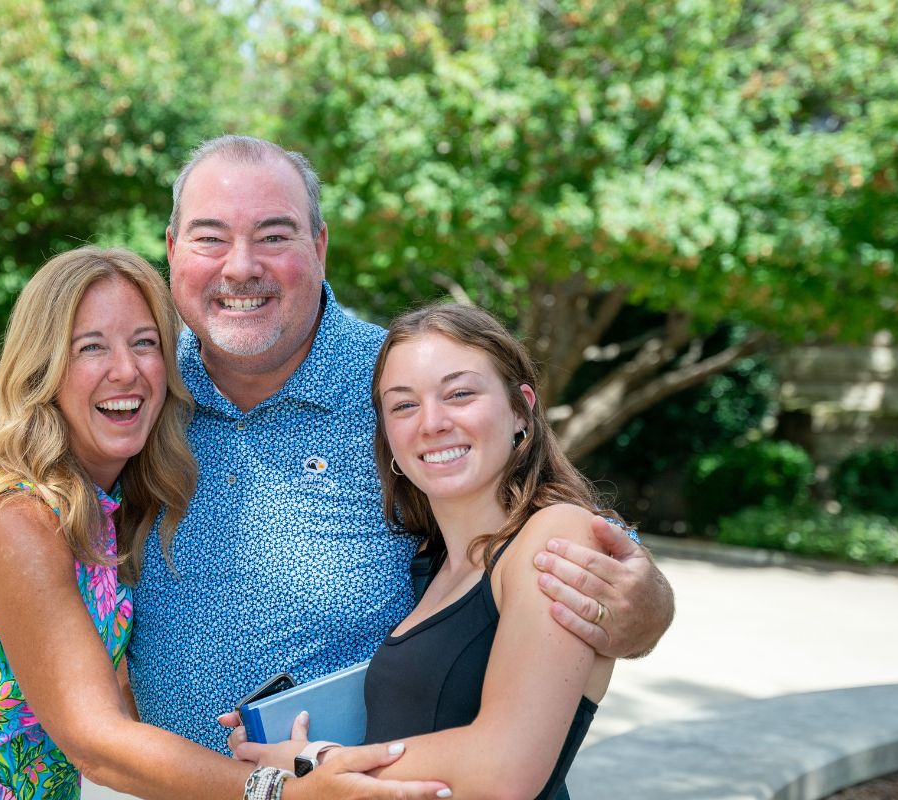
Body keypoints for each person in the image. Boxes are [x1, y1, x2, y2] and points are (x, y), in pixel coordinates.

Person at [126, 135, 675, 753]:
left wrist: (644, 605)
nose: (241, 266)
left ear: (320, 246)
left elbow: (570, 532)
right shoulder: (138, 393)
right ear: (173, 250)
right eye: (211, 237)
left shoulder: (405, 387)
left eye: (275, 236)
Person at [0, 247, 449, 800]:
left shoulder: (97, 506)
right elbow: (96, 740)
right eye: (91, 348)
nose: (126, 371)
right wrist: (279, 792)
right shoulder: (16, 516)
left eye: (144, 343)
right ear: (44, 367)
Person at [238, 303, 620, 799]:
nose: (432, 422)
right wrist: (290, 740)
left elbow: (507, 770)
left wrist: (318, 762)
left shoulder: (555, 536)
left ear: (520, 409)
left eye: (459, 394)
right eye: (403, 405)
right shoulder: (434, 561)